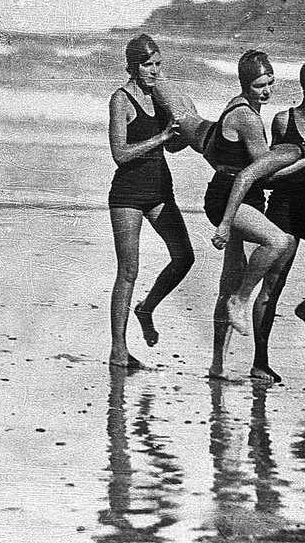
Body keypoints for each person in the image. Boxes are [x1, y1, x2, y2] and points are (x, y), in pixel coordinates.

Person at [212, 55, 305, 382]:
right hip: (284, 206)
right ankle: (260, 362)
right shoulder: (283, 121)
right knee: (273, 285)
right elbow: (269, 169)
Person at [203, 49, 295, 380]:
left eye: (270, 83)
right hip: (231, 197)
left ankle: (217, 364)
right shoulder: (248, 117)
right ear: (246, 84)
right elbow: (264, 171)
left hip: (235, 194)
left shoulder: (234, 104)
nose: (267, 91)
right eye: (259, 85)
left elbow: (211, 149)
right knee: (278, 241)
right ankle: (242, 300)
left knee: (229, 278)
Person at [107, 33, 195, 368]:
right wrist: (160, 136)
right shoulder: (121, 99)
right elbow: (120, 153)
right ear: (132, 65)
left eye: (157, 64)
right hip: (128, 192)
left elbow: (170, 146)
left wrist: (182, 133)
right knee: (128, 270)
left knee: (184, 257)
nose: (153, 71)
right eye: (147, 64)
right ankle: (118, 350)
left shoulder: (158, 97)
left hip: (160, 189)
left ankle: (147, 308)